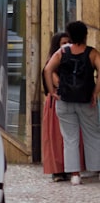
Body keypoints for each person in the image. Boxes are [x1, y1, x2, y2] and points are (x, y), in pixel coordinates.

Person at [43, 20, 100, 186]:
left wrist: (52, 91)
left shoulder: (62, 52)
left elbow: (48, 69)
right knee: (93, 135)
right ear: (85, 35)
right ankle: (97, 169)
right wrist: (96, 92)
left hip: (65, 101)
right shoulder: (92, 53)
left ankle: (75, 175)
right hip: (86, 100)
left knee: (70, 138)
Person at [42, 31, 80, 182]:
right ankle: (58, 170)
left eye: (69, 43)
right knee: (56, 138)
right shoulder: (53, 62)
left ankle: (71, 168)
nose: (67, 46)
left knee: (70, 138)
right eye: (64, 43)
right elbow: (56, 80)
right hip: (57, 101)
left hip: (71, 100)